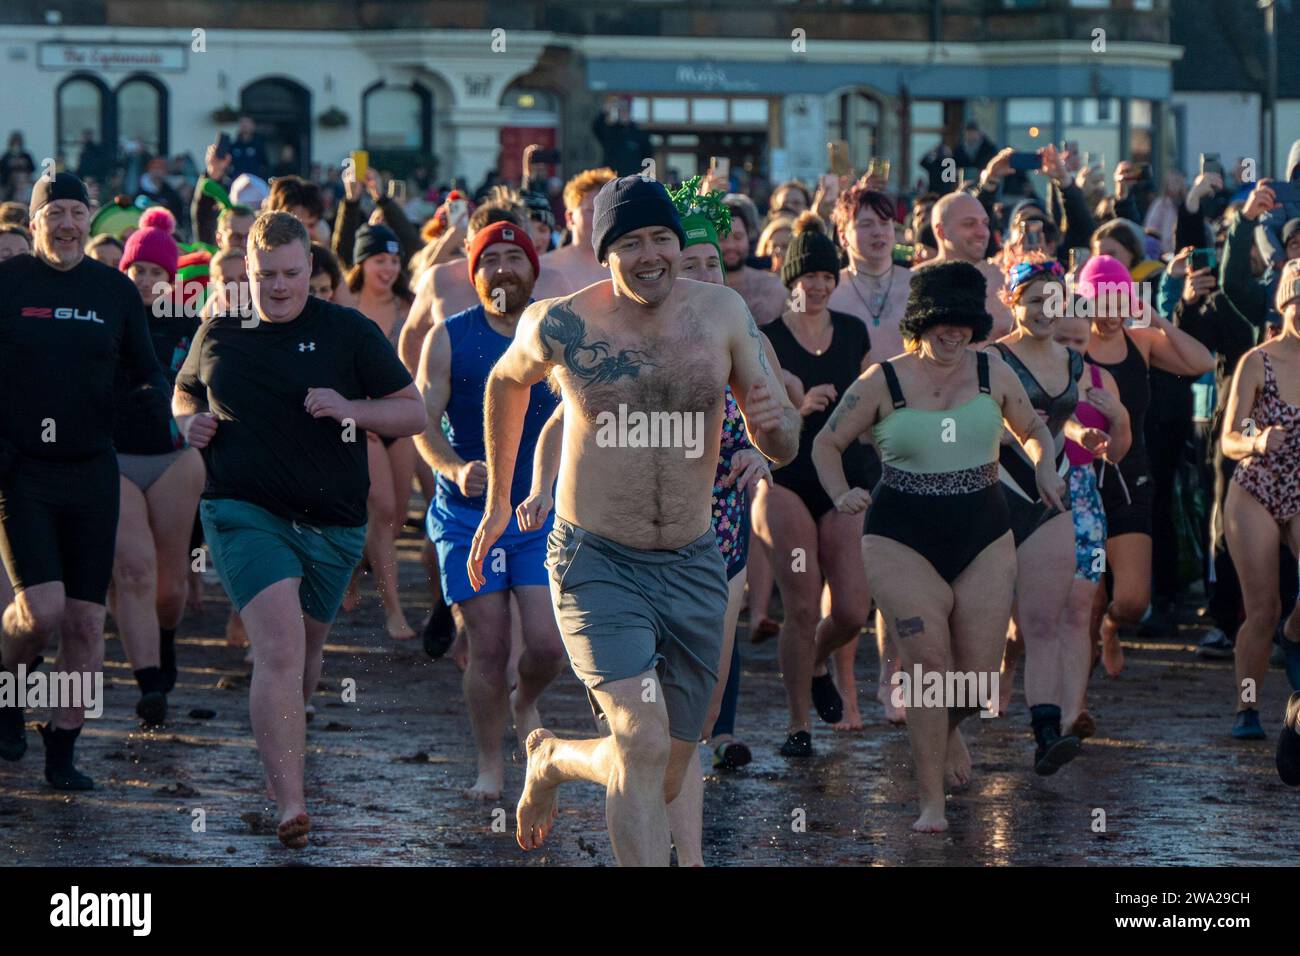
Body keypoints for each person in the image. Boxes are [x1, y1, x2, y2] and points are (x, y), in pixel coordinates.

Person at [469, 175, 800, 865]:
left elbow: (784, 438)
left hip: (692, 559)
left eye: (661, 239)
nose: (649, 255)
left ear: (680, 245)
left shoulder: (724, 314)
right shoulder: (561, 321)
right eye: (629, 243)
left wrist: (774, 432)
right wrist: (502, 500)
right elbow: (506, 382)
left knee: (671, 763)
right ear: (603, 252)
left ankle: (555, 759)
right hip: (596, 560)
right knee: (641, 740)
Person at [173, 211, 425, 847]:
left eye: (291, 274)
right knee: (280, 650)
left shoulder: (347, 330)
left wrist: (350, 408)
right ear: (247, 271)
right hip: (240, 511)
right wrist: (189, 421)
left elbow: (413, 412)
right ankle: (290, 801)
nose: (279, 288)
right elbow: (184, 392)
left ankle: (293, 726)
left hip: (332, 523)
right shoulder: (222, 326)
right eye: (265, 276)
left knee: (307, 653)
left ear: (311, 272)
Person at [812, 260, 1065, 832]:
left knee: (975, 683)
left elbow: (1034, 429)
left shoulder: (992, 371)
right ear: (920, 322)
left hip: (983, 530)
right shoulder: (884, 379)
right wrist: (841, 492)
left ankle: (947, 731)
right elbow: (827, 443)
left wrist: (1045, 467)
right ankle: (931, 802)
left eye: (962, 324)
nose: (951, 334)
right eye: (940, 323)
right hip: (901, 532)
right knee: (929, 666)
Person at [0, 173, 169, 790]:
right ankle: (9, 688)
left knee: (84, 622)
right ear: (36, 221)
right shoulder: (9, 283)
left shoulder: (114, 291)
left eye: (77, 212)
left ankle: (62, 749)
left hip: (92, 468)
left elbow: (145, 371)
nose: (67, 224)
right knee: (39, 611)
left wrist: (157, 406)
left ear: (91, 219)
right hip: (21, 471)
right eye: (55, 213)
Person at [414, 220, 564, 800]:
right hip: (465, 514)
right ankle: (489, 765)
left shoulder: (553, 333)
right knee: (489, 643)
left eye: (514, 257)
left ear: (533, 268)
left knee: (549, 646)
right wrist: (453, 467)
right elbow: (424, 421)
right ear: (473, 273)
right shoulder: (448, 335)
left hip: (535, 510)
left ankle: (525, 700)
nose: (502, 268)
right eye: (489, 259)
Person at [988, 258, 1124, 771]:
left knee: (1043, 622)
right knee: (984, 628)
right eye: (1033, 300)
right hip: (997, 494)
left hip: (1054, 495)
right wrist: (1007, 432)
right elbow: (967, 420)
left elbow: (1059, 419)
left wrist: (1079, 435)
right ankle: (945, 723)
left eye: (1053, 300)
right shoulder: (993, 360)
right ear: (1012, 302)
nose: (1044, 310)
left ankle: (1047, 733)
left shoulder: (1072, 361)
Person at [755, 211, 872, 754]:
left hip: (844, 480)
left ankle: (820, 660)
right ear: (790, 280)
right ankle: (797, 724)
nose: (819, 285)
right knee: (801, 605)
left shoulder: (854, 332)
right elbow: (754, 414)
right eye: (809, 277)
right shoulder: (767, 338)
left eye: (827, 276)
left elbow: (877, 402)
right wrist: (799, 408)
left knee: (851, 608)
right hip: (786, 478)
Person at [1075, 255, 1213, 677]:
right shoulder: (1072, 343)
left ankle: (1112, 630)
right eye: (1103, 302)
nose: (1113, 313)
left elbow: (1202, 362)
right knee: (1091, 597)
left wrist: (1157, 320)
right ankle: (1074, 699)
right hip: (1082, 477)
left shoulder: (1140, 342)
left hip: (1131, 475)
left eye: (1121, 301)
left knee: (1133, 601)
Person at [110, 207, 206, 724]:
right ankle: (147, 682)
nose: (145, 280)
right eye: (137, 270)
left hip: (173, 458)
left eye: (155, 272)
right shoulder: (107, 317)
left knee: (169, 589)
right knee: (133, 570)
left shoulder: (190, 325)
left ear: (171, 278)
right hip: (115, 459)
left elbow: (212, 388)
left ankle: (165, 641)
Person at [1219, 259, 1300, 740]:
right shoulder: (1258, 360)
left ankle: (1294, 633)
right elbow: (1228, 438)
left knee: (1284, 614)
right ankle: (1246, 706)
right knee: (1262, 607)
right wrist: (1256, 440)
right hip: (1257, 485)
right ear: (1286, 303)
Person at [1053, 312, 1131, 740]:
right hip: (1032, 494)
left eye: (1079, 339)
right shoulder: (1024, 370)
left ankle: (1072, 709)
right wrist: (1074, 430)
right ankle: (1006, 674)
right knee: (1022, 620)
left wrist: (1118, 418)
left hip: (1084, 495)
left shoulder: (1101, 380)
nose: (1070, 346)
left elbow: (1118, 453)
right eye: (1061, 336)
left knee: (1082, 607)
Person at [340, 224, 418, 640]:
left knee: (398, 516)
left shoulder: (410, 306)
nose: (388, 268)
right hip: (361, 420)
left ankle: (354, 572)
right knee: (383, 509)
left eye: (393, 260)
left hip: (400, 421)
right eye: (378, 260)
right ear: (360, 263)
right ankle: (394, 611)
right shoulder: (345, 306)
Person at [397, 198, 528, 372]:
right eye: (489, 253)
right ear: (469, 246)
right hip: (452, 389)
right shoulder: (439, 278)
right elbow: (412, 336)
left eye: (509, 253)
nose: (499, 263)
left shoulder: (542, 279)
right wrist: (417, 387)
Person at [916, 192, 1013, 339]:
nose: (983, 233)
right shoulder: (912, 284)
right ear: (941, 231)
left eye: (985, 223)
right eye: (969, 224)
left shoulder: (1008, 281)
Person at [531, 168, 617, 298]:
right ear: (570, 217)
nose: (601, 218)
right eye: (591, 210)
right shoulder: (542, 268)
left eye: (608, 211)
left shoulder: (625, 266)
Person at [720, 195, 788, 323]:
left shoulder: (774, 286)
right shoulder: (702, 286)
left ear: (748, 237)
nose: (730, 246)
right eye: (722, 238)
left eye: (738, 237)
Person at [229, 115, 268, 181]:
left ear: (253, 126)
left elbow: (265, 165)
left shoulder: (259, 145)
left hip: (255, 183)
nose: (244, 125)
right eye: (242, 122)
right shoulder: (233, 146)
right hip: (237, 183)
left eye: (247, 122)